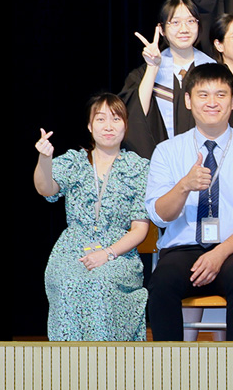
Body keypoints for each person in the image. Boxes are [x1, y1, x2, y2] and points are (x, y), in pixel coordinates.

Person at [143, 63, 233, 341]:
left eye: (220, 94)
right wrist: (184, 186)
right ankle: (169, 365)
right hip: (182, 249)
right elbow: (159, 216)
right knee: (161, 283)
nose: (212, 102)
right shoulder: (167, 151)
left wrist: (219, 254)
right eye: (203, 95)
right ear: (188, 101)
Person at [34, 94, 152, 341]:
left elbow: (140, 230)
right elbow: (46, 189)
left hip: (119, 253)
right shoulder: (75, 161)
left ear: (125, 125)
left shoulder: (139, 167)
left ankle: (106, 361)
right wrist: (44, 159)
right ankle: (70, 362)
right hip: (72, 249)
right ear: (89, 126)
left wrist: (107, 254)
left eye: (116, 119)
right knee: (67, 282)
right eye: (100, 119)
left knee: (101, 283)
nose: (108, 126)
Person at [122, 0, 217, 154]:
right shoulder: (144, 73)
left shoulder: (213, 70)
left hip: (205, 158)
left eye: (190, 21)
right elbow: (135, 118)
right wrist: (152, 68)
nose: (184, 29)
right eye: (175, 22)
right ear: (162, 30)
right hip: (158, 159)